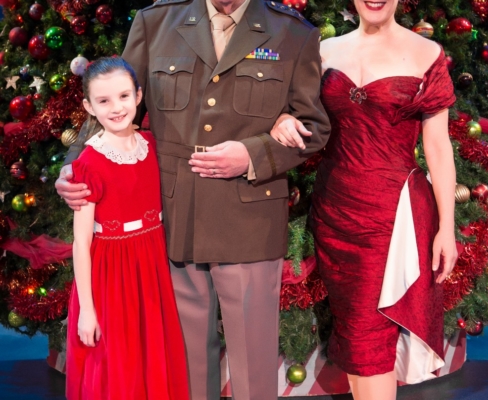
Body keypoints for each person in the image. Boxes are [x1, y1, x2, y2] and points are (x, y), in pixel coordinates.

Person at [56, 1, 331, 399]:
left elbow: (313, 126)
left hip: (248, 219)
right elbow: (116, 105)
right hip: (172, 221)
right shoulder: (156, 22)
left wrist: (252, 154)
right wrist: (72, 169)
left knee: (253, 365)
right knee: (184, 366)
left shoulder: (293, 32)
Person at [270, 1, 457, 399]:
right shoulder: (322, 50)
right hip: (333, 213)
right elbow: (292, 111)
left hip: (393, 217)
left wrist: (447, 227)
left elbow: (438, 147)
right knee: (356, 335)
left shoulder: (427, 54)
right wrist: (282, 119)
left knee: (369, 336)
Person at [65, 57, 189, 400]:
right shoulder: (89, 162)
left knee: (152, 355)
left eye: (123, 96)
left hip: (150, 265)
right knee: (119, 363)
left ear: (137, 96)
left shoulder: (152, 145)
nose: (116, 108)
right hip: (112, 274)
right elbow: (80, 241)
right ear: (89, 106)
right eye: (103, 101)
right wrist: (87, 310)